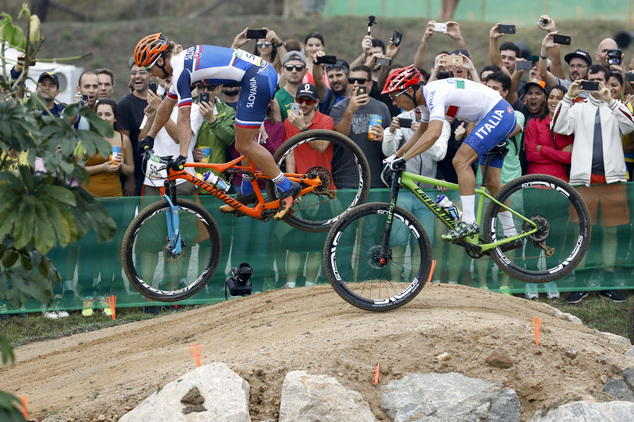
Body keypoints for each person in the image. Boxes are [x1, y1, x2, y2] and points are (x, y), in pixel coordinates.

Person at [135, 33, 301, 219]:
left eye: (149, 68)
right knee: (243, 140)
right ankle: (247, 191)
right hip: (255, 74)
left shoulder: (181, 71)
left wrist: (183, 155)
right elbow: (166, 107)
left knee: (244, 144)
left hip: (258, 76)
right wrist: (150, 135)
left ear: (159, 61)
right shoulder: (180, 66)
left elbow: (184, 118)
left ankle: (287, 186)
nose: (149, 74)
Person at [382, 65, 520, 242]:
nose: (394, 103)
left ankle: (469, 222)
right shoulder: (424, 101)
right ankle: (511, 234)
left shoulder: (434, 94)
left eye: (394, 97)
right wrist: (396, 156)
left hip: (498, 113)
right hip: (492, 116)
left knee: (460, 161)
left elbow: (433, 134)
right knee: (493, 182)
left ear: (409, 90)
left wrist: (404, 160)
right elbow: (421, 133)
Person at [552, 64, 634, 304]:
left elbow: (630, 125)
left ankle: (607, 281)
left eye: (600, 81)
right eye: (592, 81)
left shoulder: (615, 107)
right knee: (583, 231)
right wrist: (569, 95)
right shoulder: (578, 107)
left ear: (607, 84)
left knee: (610, 231)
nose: (596, 85)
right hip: (583, 179)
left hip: (612, 177)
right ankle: (582, 280)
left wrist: (611, 100)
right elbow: (557, 126)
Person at [77, 99, 134, 315]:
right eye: (99, 115)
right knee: (89, 249)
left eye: (107, 115)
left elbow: (131, 169)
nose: (103, 118)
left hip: (114, 199)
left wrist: (121, 167)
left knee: (110, 250)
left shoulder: (123, 139)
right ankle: (87, 296)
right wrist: (102, 166)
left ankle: (105, 294)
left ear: (115, 117)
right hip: (89, 200)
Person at [522, 84, 573, 300]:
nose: (553, 101)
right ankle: (531, 282)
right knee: (533, 233)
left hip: (560, 184)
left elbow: (571, 157)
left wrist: (544, 150)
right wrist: (556, 153)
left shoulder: (569, 127)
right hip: (535, 184)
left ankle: (551, 280)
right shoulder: (534, 123)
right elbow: (531, 155)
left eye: (559, 98)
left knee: (556, 234)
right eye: (551, 97)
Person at [281, 83, 334, 288]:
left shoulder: (326, 120)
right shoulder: (289, 121)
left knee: (315, 245)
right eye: (300, 100)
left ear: (316, 103)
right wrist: (292, 184)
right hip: (301, 187)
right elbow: (290, 152)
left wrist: (304, 126)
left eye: (308, 101)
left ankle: (310, 285)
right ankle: (290, 285)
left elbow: (321, 146)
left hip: (322, 187)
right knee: (295, 243)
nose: (303, 104)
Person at [330, 64, 391, 188]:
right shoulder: (339, 108)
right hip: (347, 180)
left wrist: (385, 137)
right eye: (352, 81)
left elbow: (392, 144)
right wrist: (350, 111)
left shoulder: (382, 107)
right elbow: (339, 138)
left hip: (375, 180)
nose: (356, 84)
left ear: (370, 84)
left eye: (361, 81)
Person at [117, 59, 153, 195]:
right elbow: (123, 145)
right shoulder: (125, 104)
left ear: (151, 75)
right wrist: (130, 179)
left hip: (159, 173)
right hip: (137, 175)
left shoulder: (161, 100)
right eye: (133, 73)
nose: (137, 76)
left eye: (142, 72)